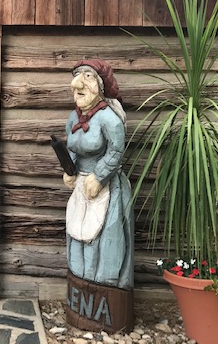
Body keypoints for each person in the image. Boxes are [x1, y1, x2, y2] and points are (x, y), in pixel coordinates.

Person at [63, 59, 133, 290]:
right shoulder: (73, 118)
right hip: (81, 185)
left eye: (87, 77)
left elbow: (116, 150)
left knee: (100, 234)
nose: (78, 85)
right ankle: (79, 279)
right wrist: (70, 169)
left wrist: (99, 175)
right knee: (77, 231)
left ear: (100, 86)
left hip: (105, 186)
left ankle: (103, 287)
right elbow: (72, 147)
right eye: (77, 78)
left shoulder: (109, 118)